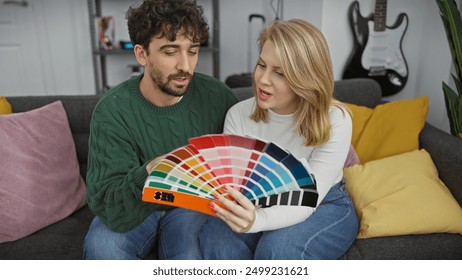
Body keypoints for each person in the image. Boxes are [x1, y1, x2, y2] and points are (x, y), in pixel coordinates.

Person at [83, 0, 238, 260]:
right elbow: (107, 201)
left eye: (193, 51)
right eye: (170, 52)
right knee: (103, 250)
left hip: (192, 206)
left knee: (190, 256)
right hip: (136, 206)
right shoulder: (112, 110)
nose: (185, 66)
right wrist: (149, 171)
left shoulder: (218, 97)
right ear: (142, 54)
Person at [199, 19, 359, 260]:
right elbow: (236, 187)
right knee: (215, 236)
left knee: (278, 249)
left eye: (280, 73)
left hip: (324, 203)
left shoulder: (336, 120)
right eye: (261, 65)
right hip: (258, 200)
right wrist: (244, 211)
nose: (263, 79)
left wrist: (257, 221)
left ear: (306, 77)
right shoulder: (238, 115)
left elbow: (308, 198)